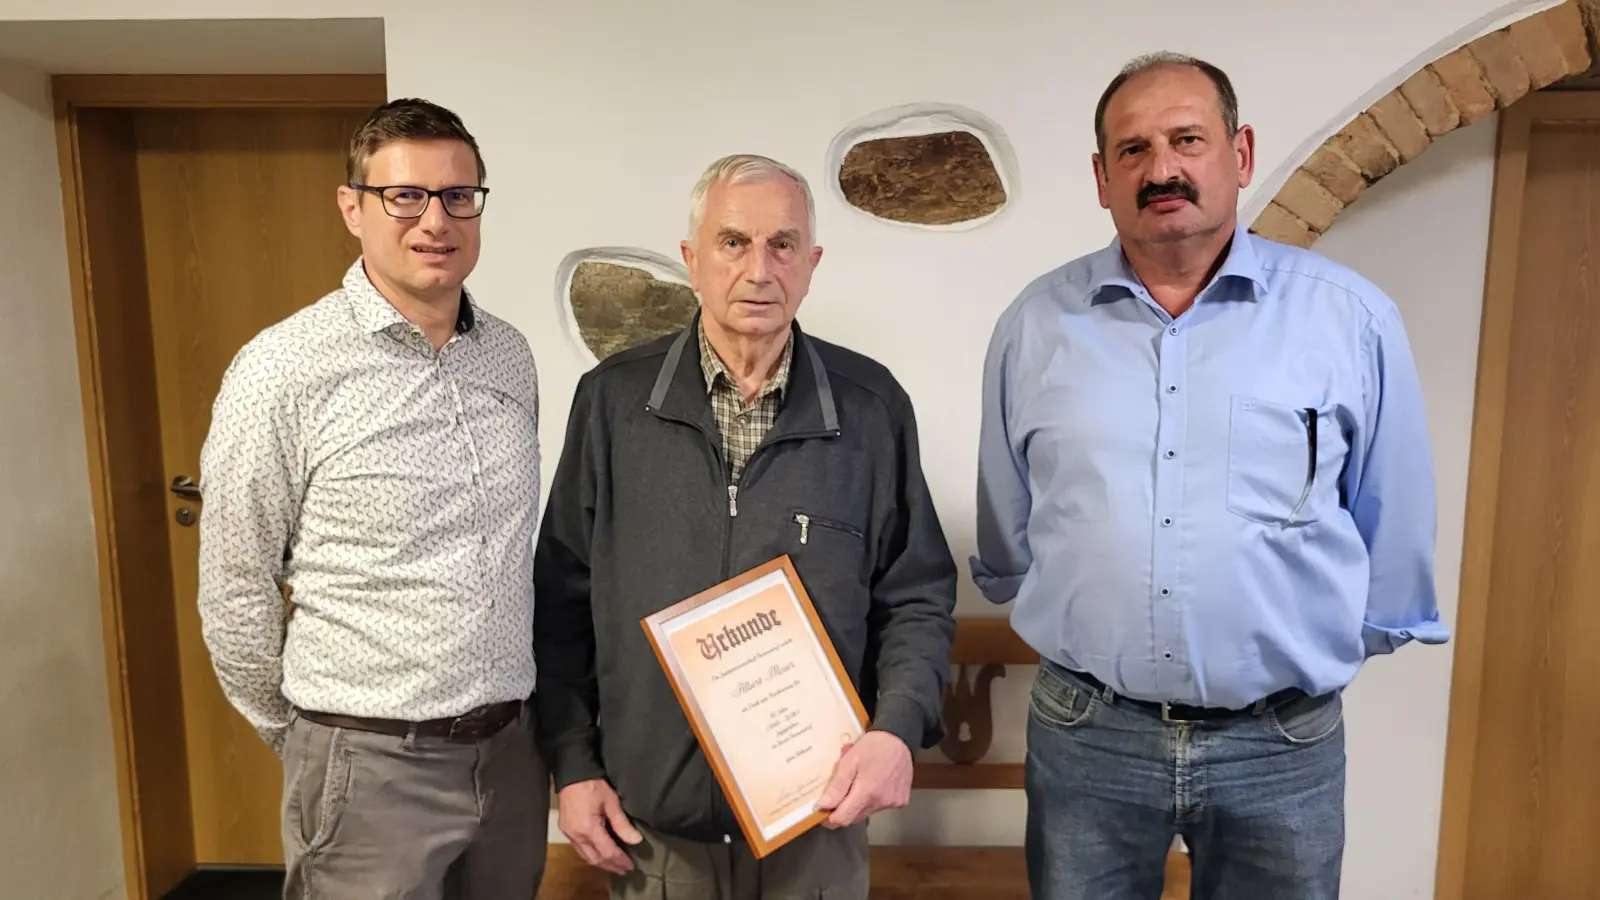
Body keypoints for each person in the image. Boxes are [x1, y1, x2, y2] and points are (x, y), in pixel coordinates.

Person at [971, 52, 1448, 900]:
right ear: (1101, 176)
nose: (1163, 170)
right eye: (1134, 150)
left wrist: (1296, 666)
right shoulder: (1034, 325)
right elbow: (1008, 529)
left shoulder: (1352, 321)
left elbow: (1393, 521)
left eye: (1187, 139)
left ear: (1241, 152)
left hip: (1281, 744)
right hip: (1089, 737)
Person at [533, 153, 958, 899]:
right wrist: (573, 764)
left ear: (812, 263)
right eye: (733, 243)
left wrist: (895, 730)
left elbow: (915, 594)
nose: (759, 269)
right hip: (654, 833)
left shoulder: (870, 406)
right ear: (692, 261)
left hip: (817, 825)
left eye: (783, 244)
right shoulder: (612, 403)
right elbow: (561, 600)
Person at [196, 97, 548, 899]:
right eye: (406, 196)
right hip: (367, 763)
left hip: (511, 758)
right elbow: (235, 584)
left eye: (458, 195)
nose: (436, 219)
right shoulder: (281, 371)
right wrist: (308, 741)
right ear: (353, 208)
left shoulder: (510, 357)